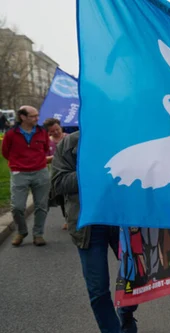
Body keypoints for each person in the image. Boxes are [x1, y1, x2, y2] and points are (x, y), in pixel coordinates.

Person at [51, 131, 139, 333]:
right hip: (88, 225)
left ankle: (126, 314)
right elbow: (59, 183)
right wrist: (95, 170)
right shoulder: (69, 143)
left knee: (135, 277)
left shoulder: (124, 134)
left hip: (123, 221)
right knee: (98, 290)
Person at [2, 106, 51, 247]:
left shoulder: (42, 132)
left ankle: (38, 234)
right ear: (23, 117)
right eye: (33, 116)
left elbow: (45, 149)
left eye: (37, 115)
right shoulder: (11, 134)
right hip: (19, 173)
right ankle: (22, 231)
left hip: (40, 171)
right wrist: (17, 163)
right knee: (17, 206)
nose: (37, 118)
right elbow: (5, 152)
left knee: (41, 205)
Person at [44, 117, 69, 230]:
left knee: (71, 196)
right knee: (61, 198)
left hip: (70, 172)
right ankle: (67, 218)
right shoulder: (47, 141)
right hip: (56, 173)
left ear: (61, 127)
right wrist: (55, 157)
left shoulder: (69, 138)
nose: (55, 132)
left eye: (57, 129)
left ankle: (73, 217)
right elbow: (43, 159)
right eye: (52, 131)